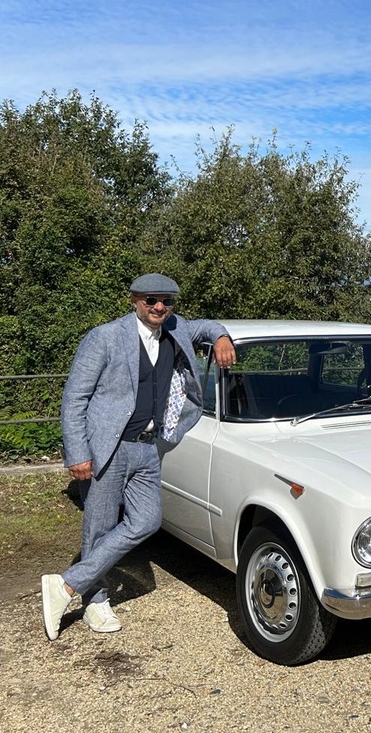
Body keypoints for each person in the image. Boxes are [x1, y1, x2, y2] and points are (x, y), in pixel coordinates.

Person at [41, 273, 236, 640]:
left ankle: (66, 584)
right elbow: (75, 398)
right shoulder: (105, 337)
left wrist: (221, 337)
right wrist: (78, 452)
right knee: (98, 528)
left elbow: (207, 326)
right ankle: (95, 600)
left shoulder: (176, 329)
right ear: (134, 300)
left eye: (166, 301)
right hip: (109, 448)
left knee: (147, 520)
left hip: (149, 447)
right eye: (151, 300)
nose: (159, 307)